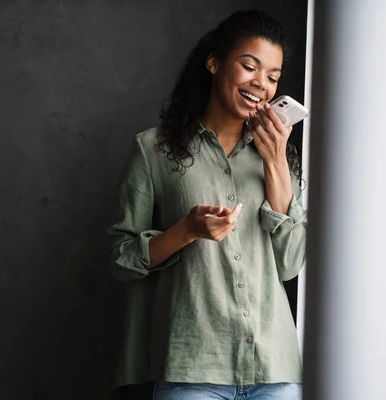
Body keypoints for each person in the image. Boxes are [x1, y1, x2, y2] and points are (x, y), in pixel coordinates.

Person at [107, 9, 307, 400]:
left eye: (272, 77)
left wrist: (276, 162)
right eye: (249, 67)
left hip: (276, 369)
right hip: (191, 367)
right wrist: (187, 231)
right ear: (215, 63)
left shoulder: (282, 157)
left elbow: (290, 263)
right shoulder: (152, 150)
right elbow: (121, 259)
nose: (260, 85)